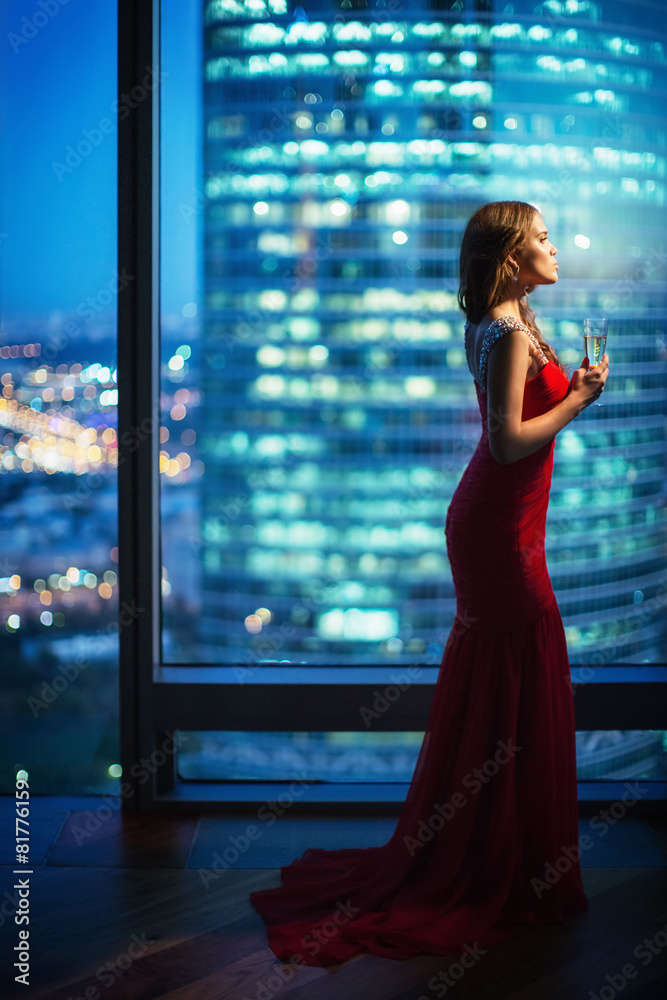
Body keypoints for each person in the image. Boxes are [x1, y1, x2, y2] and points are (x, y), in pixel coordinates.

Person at [249, 200, 609, 967]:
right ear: (512, 256)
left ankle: (494, 852)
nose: (555, 246)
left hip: (497, 522)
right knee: (511, 668)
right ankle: (495, 864)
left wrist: (564, 383)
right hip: (498, 527)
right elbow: (507, 443)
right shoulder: (509, 333)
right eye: (541, 237)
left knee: (498, 676)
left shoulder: (504, 322)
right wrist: (576, 400)